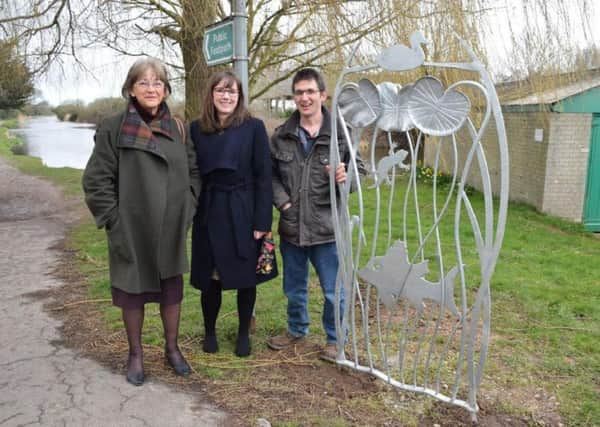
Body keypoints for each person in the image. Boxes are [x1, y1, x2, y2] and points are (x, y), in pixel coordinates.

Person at [82, 58, 199, 386]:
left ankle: (172, 349)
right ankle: (135, 354)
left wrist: (188, 206)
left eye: (158, 83)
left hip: (171, 227)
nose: (152, 89)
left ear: (166, 89)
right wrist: (113, 220)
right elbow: (96, 180)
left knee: (171, 291)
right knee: (132, 291)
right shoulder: (114, 127)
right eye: (144, 83)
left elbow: (193, 172)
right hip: (131, 227)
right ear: (131, 89)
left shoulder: (177, 127)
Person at [267, 68, 362, 362]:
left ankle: (335, 340)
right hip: (293, 228)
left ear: (322, 95)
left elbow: (360, 176)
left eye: (310, 92)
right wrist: (284, 205)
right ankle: (297, 330)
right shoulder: (282, 136)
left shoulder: (341, 135)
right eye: (299, 92)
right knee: (294, 288)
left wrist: (345, 178)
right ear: (294, 97)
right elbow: (270, 178)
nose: (305, 98)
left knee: (335, 291)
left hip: (328, 229)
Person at [189, 70, 275, 358]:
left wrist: (262, 220)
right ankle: (210, 331)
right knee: (210, 277)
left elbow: (265, 177)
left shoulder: (254, 127)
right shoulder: (196, 129)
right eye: (220, 91)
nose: (226, 96)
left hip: (243, 209)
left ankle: (242, 334)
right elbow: (191, 173)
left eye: (232, 92)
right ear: (211, 95)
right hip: (209, 210)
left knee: (245, 275)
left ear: (239, 97)